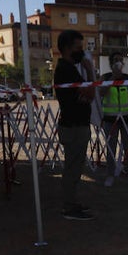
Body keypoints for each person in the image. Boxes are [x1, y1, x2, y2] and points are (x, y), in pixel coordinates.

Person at [53, 29, 95, 221]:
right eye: (78, 48)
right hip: (74, 127)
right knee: (72, 168)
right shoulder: (66, 70)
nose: (81, 52)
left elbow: (86, 95)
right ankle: (69, 207)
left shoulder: (68, 69)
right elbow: (90, 94)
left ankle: (71, 203)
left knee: (75, 167)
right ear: (67, 48)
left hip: (75, 125)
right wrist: (90, 70)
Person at [100, 53, 128, 187]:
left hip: (127, 118)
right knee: (111, 148)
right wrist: (113, 78)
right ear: (111, 64)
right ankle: (110, 175)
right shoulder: (105, 77)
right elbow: (101, 93)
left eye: (121, 60)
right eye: (116, 60)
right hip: (110, 119)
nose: (119, 63)